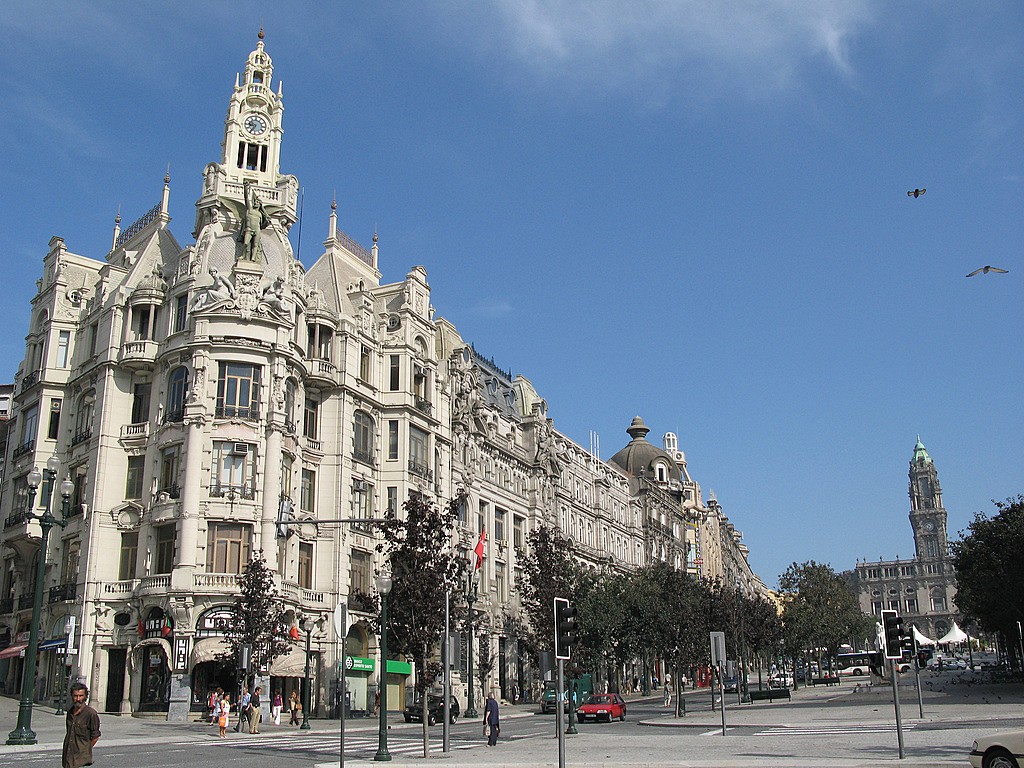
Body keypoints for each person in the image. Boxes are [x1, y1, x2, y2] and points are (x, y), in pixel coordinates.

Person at [63, 682, 101, 768]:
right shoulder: (70, 712)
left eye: (81, 696)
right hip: (68, 757)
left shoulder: (91, 714)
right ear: (72, 696)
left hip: (81, 760)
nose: (78, 699)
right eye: (75, 696)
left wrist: (85, 749)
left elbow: (95, 736)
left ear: (85, 696)